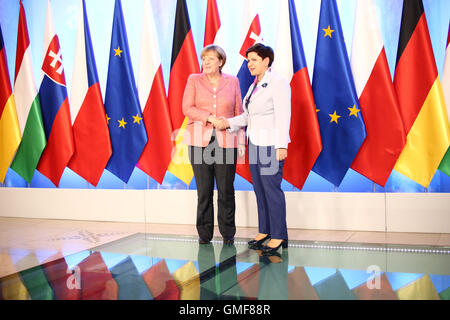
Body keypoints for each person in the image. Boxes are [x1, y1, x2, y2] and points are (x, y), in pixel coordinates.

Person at [216, 43, 291, 255]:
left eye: (254, 60)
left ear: (266, 61)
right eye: (248, 60)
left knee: (271, 190)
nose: (250, 64)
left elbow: (284, 115)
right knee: (259, 189)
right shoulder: (254, 85)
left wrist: (281, 146)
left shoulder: (278, 82)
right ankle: (264, 231)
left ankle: (278, 235)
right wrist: (227, 123)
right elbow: (248, 116)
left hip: (270, 146)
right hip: (255, 145)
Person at [182, 44, 245, 245]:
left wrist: (241, 141)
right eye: (204, 59)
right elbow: (187, 108)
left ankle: (228, 234)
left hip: (227, 142)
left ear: (220, 61)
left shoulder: (233, 81)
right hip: (199, 142)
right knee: (204, 190)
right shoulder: (193, 80)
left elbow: (239, 113)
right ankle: (204, 234)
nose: (206, 62)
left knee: (226, 190)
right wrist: (210, 117)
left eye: (210, 59)